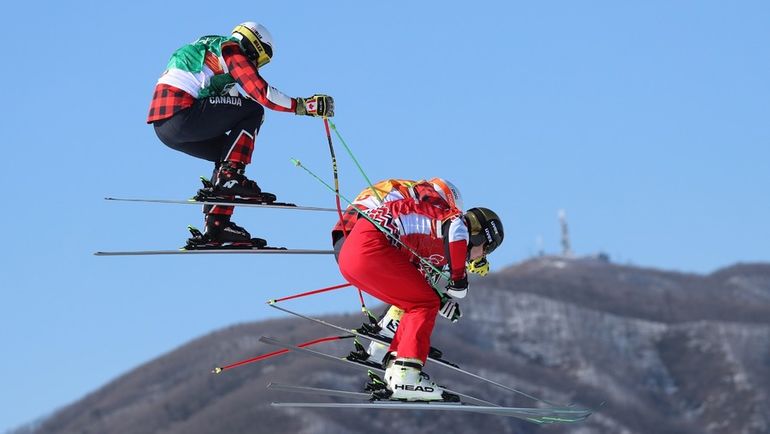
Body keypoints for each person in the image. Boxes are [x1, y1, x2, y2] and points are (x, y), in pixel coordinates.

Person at [147, 22, 334, 247]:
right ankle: (230, 178)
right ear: (254, 46)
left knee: (228, 153)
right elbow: (262, 93)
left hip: (164, 127)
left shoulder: (213, 51)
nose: (257, 65)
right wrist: (304, 106)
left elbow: (233, 104)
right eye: (261, 59)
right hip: (182, 112)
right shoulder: (231, 50)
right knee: (254, 111)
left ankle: (217, 225)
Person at [336, 179, 504, 401]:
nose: (482, 256)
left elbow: (417, 279)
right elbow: (456, 229)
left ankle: (395, 364)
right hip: (370, 245)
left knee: (416, 301)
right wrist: (459, 279)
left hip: (351, 255)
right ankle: (406, 374)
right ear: (479, 236)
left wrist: (442, 300)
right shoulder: (454, 221)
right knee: (424, 304)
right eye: (486, 250)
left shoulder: (434, 234)